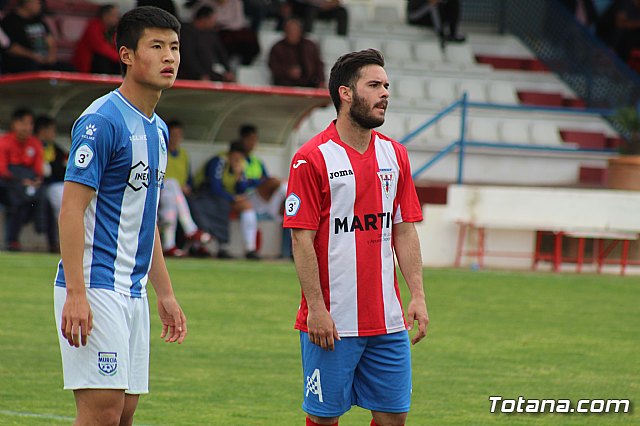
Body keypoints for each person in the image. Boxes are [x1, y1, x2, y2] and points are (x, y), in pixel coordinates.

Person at [52, 6, 187, 426]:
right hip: (95, 285)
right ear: (127, 55)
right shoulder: (100, 121)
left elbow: (146, 221)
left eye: (175, 47)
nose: (169, 57)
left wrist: (163, 292)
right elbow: (71, 209)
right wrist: (76, 293)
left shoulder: (158, 129)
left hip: (132, 291)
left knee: (124, 413)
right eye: (157, 46)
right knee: (102, 413)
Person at [283, 49, 429, 426]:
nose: (385, 94)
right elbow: (301, 239)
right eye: (375, 85)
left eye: (387, 86)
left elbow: (404, 228)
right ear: (346, 94)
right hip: (333, 321)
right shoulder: (311, 157)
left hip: (388, 320)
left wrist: (418, 295)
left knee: (394, 418)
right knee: (325, 419)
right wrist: (315, 308)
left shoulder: (395, 155)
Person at [192, 141, 260, 259]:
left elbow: (242, 189)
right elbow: (215, 187)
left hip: (227, 197)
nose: (237, 160)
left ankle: (250, 248)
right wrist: (232, 198)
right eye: (235, 157)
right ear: (230, 154)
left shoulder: (241, 165)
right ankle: (222, 246)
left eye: (240, 158)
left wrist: (239, 175)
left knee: (247, 206)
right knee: (221, 206)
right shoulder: (219, 161)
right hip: (207, 195)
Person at [159, 120, 212, 257]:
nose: (176, 138)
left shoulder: (183, 155)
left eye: (179, 135)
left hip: (175, 196)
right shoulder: (160, 150)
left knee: (171, 201)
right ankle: (191, 230)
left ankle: (169, 245)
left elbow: (188, 179)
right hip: (158, 190)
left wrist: (187, 186)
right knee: (172, 183)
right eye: (173, 134)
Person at [0, 107, 46, 251]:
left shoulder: (35, 143)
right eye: (24, 123)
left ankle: (50, 240)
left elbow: (39, 169)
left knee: (42, 196)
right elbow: (2, 169)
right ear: (15, 124)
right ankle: (12, 240)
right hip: (7, 184)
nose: (27, 128)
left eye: (30, 124)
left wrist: (37, 180)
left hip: (28, 183)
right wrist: (20, 181)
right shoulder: (4, 142)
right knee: (17, 198)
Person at [0, 0, 72, 73]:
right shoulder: (9, 21)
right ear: (27, 2)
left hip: (43, 61)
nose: (40, 6)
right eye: (38, 3)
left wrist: (51, 56)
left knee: (69, 68)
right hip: (23, 62)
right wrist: (32, 56)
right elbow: (9, 47)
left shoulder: (38, 20)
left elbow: (51, 41)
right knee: (30, 66)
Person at [178, 5, 235, 82]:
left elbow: (221, 52)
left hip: (209, 72)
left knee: (230, 80)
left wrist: (228, 70)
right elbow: (188, 56)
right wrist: (200, 75)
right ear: (204, 19)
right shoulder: (187, 32)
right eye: (212, 19)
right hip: (190, 74)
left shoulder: (211, 33)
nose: (214, 22)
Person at [35, 114, 67, 253]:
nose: (54, 134)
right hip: (45, 185)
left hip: (56, 184)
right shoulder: (34, 145)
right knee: (63, 203)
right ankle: (63, 240)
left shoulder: (55, 148)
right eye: (52, 130)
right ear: (43, 130)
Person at [268, 18, 325, 88]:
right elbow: (273, 66)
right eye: (289, 30)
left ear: (300, 31)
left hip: (309, 82)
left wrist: (321, 80)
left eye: (294, 30)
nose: (292, 33)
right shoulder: (277, 47)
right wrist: (288, 72)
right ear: (285, 32)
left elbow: (318, 64)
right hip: (286, 83)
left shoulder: (310, 45)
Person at [72, 4, 121, 74]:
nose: (117, 18)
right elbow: (101, 48)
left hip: (105, 64)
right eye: (114, 15)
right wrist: (120, 58)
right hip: (87, 66)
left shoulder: (113, 30)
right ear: (105, 15)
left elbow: (116, 47)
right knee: (103, 60)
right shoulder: (93, 27)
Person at [213, 0, 260, 65]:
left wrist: (223, 25)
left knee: (249, 38)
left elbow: (239, 22)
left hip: (232, 30)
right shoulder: (205, 2)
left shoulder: (236, 2)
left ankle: (245, 64)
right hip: (214, 31)